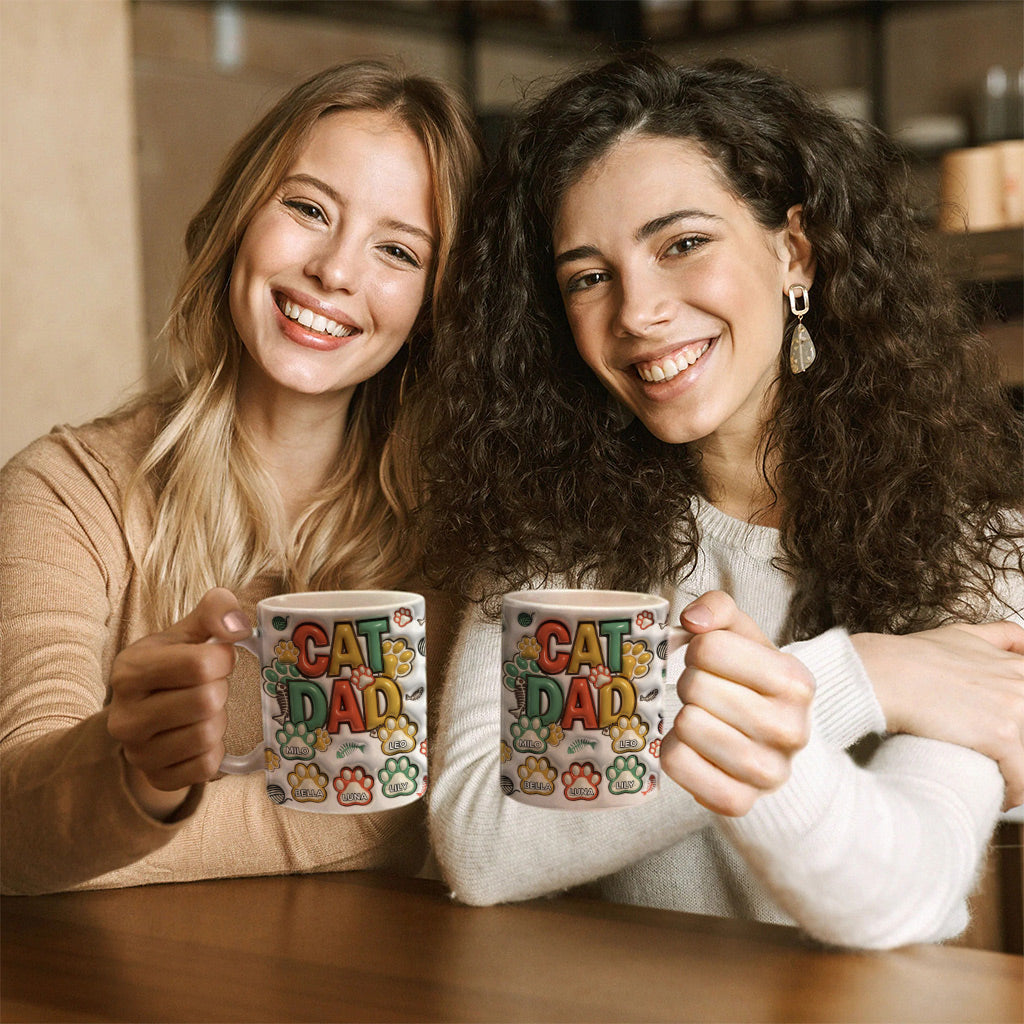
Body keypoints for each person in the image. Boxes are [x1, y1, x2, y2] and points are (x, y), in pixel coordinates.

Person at [413, 53, 1024, 949]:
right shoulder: (551, 539)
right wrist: (859, 677)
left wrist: (791, 690)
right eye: (588, 276)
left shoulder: (978, 547)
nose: (637, 311)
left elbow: (899, 892)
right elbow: (479, 844)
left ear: (794, 252)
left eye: (682, 244)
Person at [0, 60, 482, 895]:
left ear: (434, 304)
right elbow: (16, 825)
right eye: (307, 209)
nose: (335, 270)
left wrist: (125, 831)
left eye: (397, 250)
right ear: (238, 220)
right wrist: (138, 776)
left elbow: (432, 808)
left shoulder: (460, 533)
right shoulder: (65, 492)